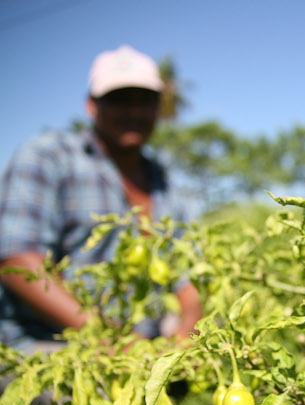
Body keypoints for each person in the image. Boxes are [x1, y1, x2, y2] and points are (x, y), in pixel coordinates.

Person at [0, 45, 201, 353]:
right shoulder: (49, 157)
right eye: (119, 99)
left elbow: (187, 274)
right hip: (45, 347)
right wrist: (110, 339)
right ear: (92, 106)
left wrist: (187, 331)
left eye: (145, 100)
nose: (133, 111)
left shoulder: (164, 182)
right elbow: (18, 262)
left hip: (140, 352)